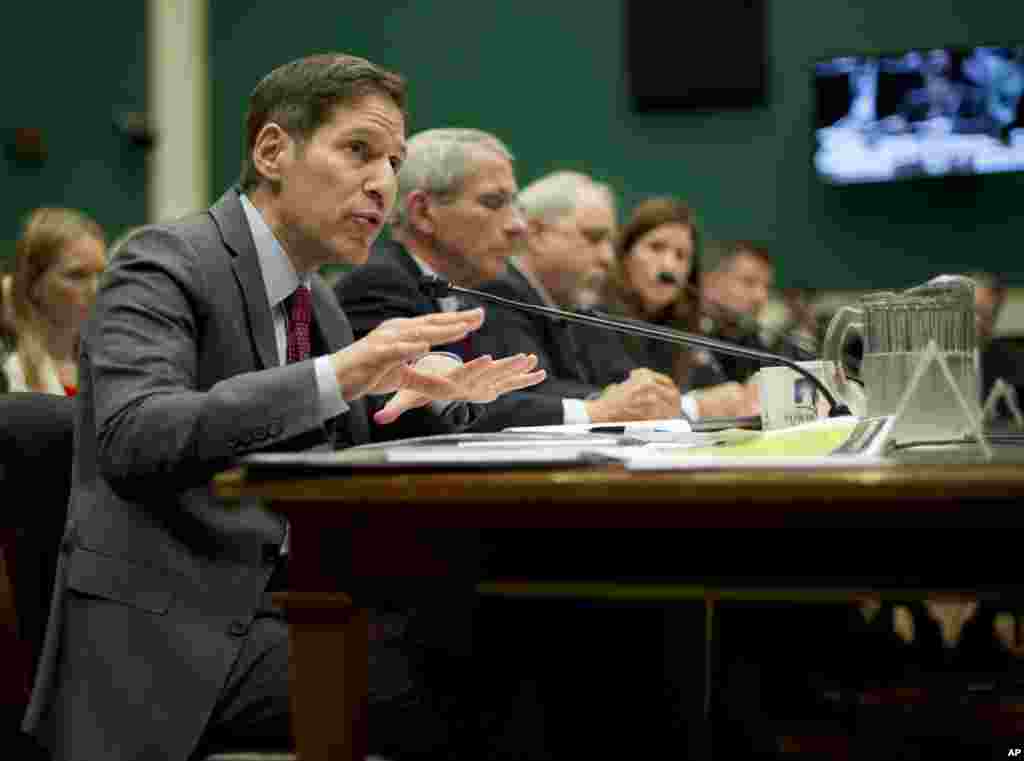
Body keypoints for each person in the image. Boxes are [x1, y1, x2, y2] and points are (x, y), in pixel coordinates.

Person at [22, 52, 545, 761]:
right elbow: (135, 433)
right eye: (359, 150)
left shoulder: (315, 297)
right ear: (273, 150)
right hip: (179, 638)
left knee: (528, 627)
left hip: (295, 603)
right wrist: (338, 373)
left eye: (393, 161)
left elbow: (332, 452)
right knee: (482, 683)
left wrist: (413, 403)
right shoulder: (161, 263)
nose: (382, 183)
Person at [335, 127, 570, 432]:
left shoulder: (474, 290)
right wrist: (592, 410)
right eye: (493, 202)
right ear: (423, 213)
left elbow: (516, 392)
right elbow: (404, 420)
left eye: (516, 206)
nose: (518, 226)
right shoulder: (378, 284)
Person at [471, 171, 689, 424]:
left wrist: (647, 394)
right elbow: (529, 390)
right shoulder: (500, 293)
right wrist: (611, 401)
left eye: (610, 242)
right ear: (536, 234)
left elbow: (613, 378)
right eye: (594, 238)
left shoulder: (571, 305)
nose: (607, 258)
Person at [602, 197, 759, 418]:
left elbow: (717, 391)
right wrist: (693, 408)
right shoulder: (595, 316)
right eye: (656, 248)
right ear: (625, 255)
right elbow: (615, 403)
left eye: (681, 255)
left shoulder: (683, 326)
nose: (669, 265)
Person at [1, 207, 107, 396]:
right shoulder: (9, 375)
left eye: (101, 274)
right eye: (77, 275)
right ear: (33, 283)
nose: (95, 290)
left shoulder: (112, 367)